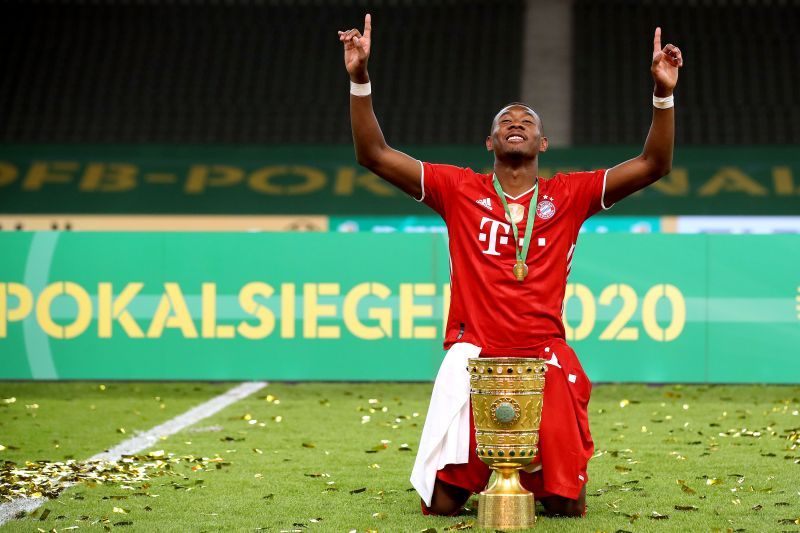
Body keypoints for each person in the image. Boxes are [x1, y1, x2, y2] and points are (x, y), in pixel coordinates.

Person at [338, 14, 682, 517]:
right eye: (505, 121)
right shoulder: (458, 190)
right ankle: (493, 472)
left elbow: (655, 164)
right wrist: (359, 79)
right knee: (441, 504)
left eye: (527, 122)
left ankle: (539, 471)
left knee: (568, 506)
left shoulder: (570, 194)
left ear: (543, 143)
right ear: (490, 143)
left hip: (545, 355)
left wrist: (663, 94)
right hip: (474, 357)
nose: (516, 122)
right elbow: (373, 153)